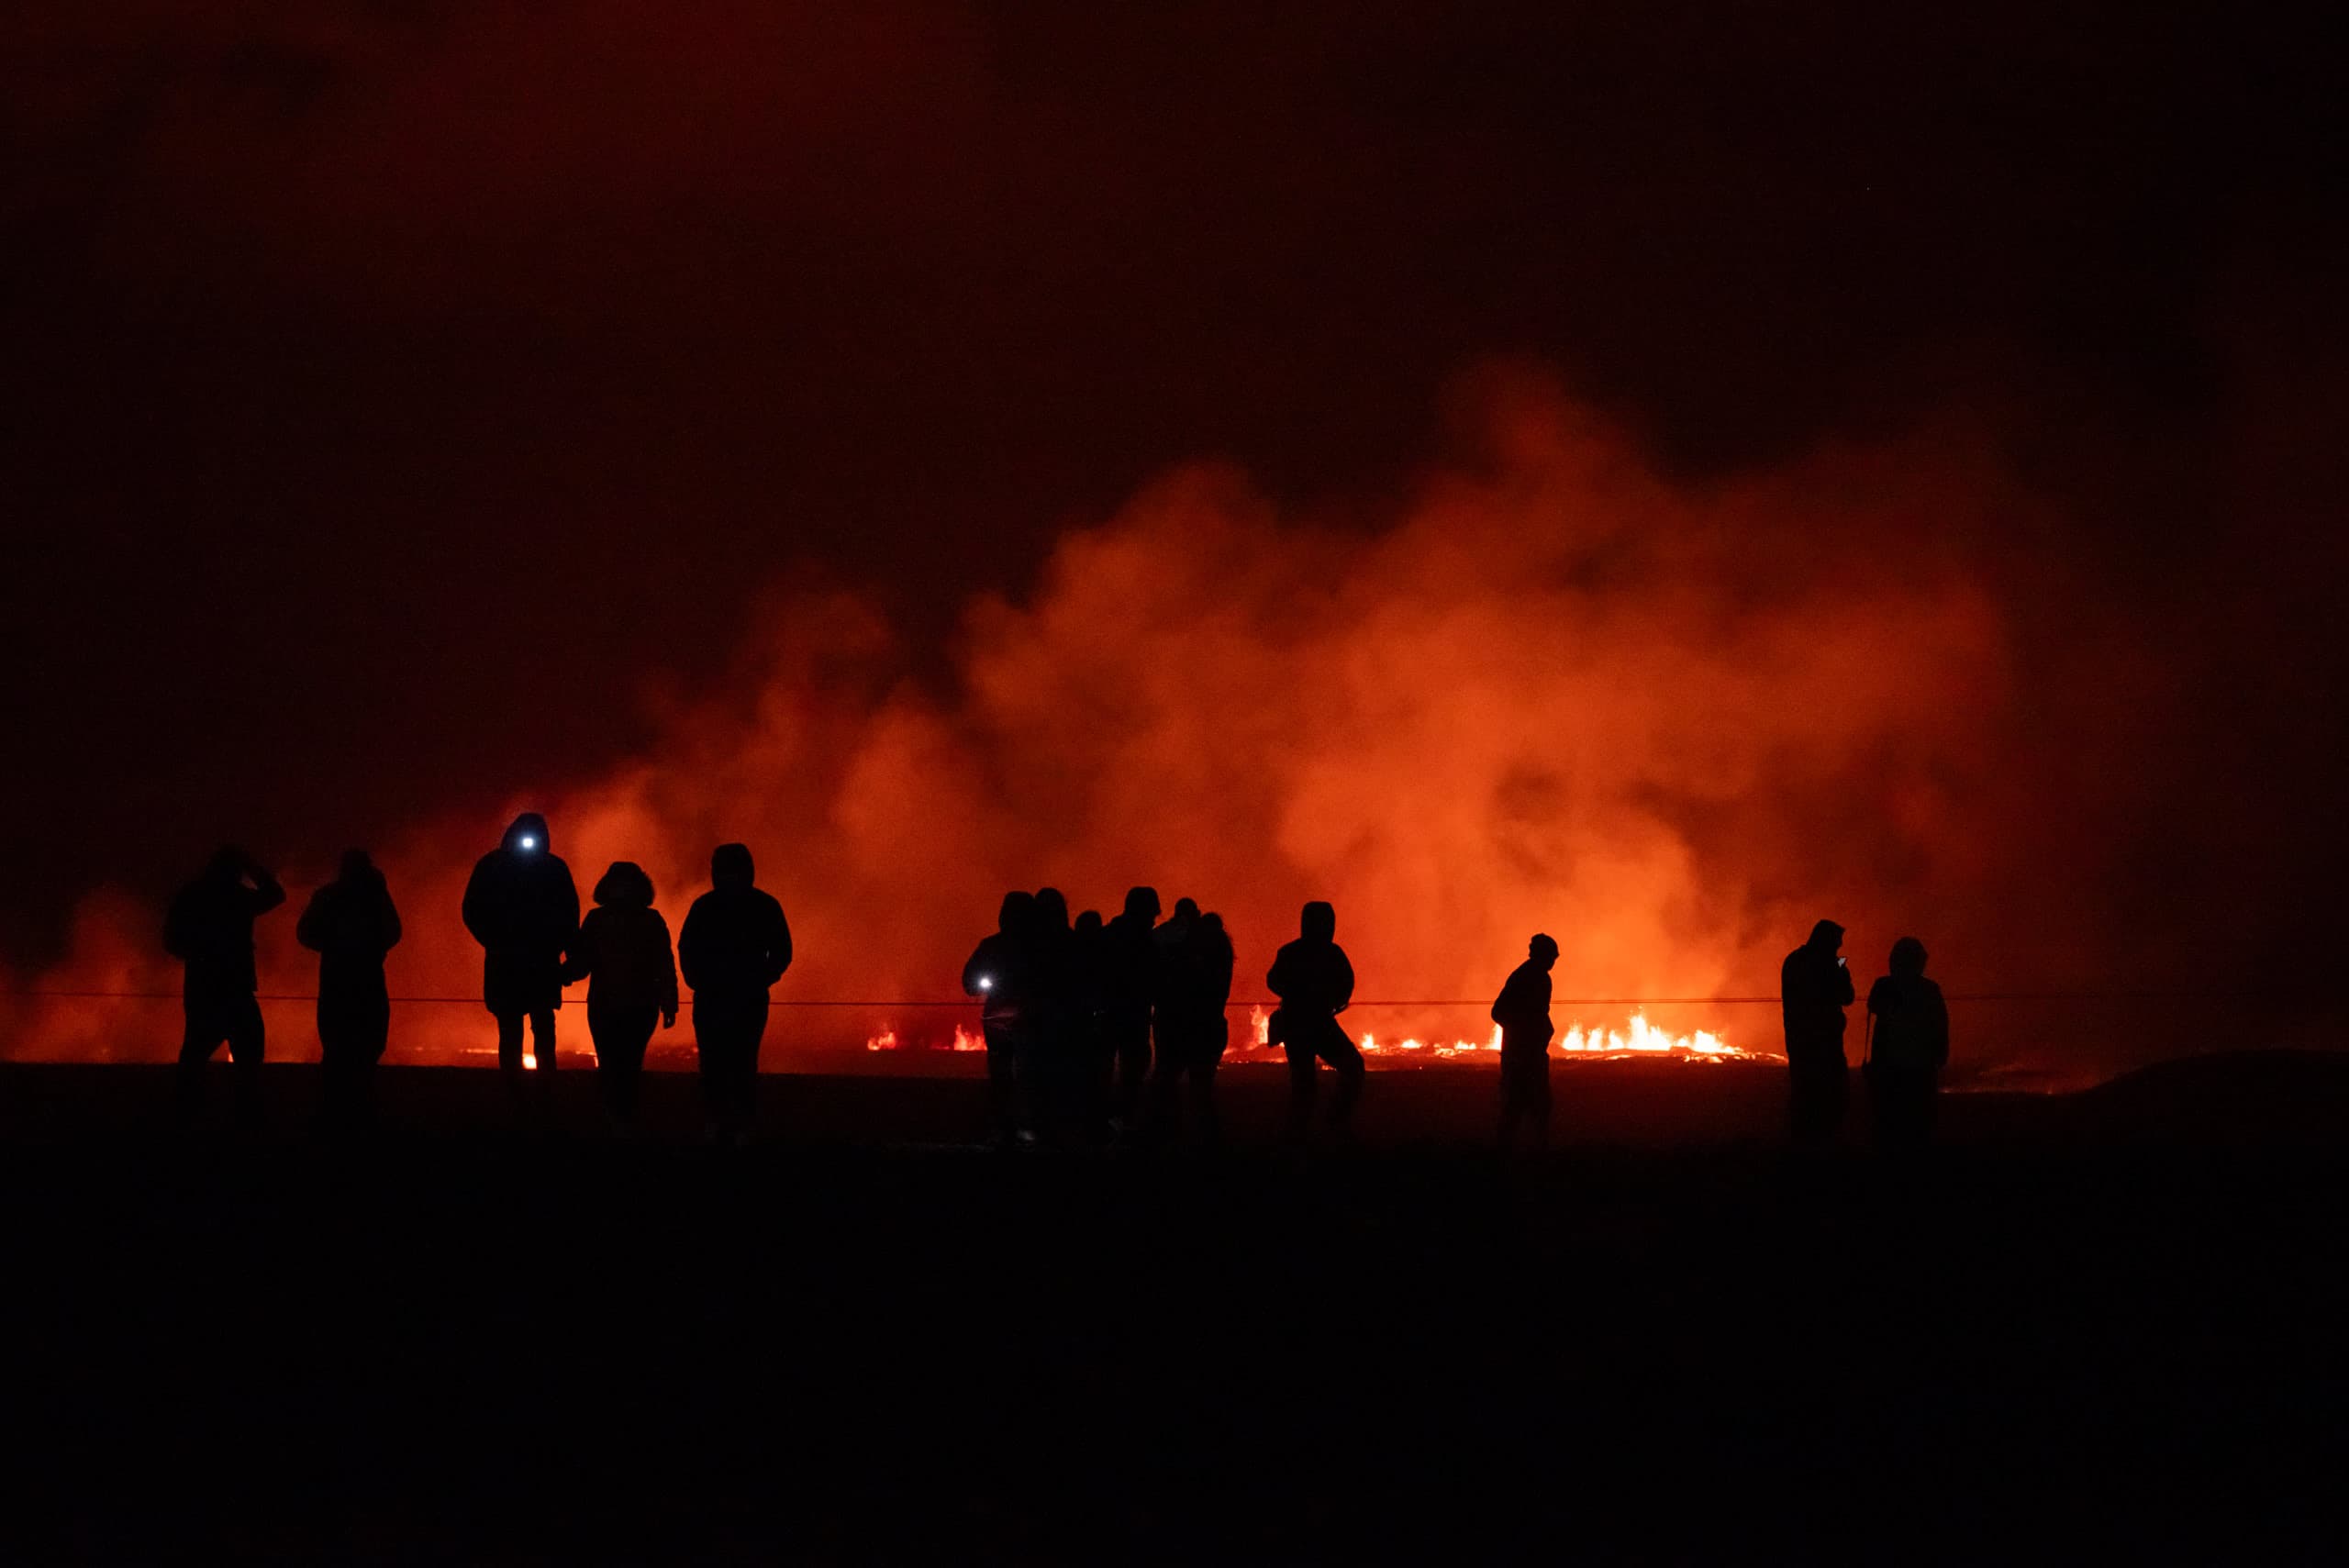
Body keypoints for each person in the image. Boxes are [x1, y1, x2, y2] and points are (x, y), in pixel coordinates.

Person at [676, 843, 793, 1144]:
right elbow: (687, 948)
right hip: (726, 996)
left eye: (732, 870)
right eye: (724, 871)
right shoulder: (756, 905)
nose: (729, 877)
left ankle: (732, 1123)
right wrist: (699, 980)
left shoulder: (715, 906)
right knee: (720, 1062)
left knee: (737, 1061)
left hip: (736, 997)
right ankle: (725, 1122)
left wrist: (760, 979)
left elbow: (781, 951)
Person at [460, 812, 579, 1101]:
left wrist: (494, 941)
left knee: (526, 1028)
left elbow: (568, 916)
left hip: (516, 962)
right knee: (527, 1028)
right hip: (531, 961)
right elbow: (569, 916)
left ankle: (530, 1088)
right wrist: (568, 957)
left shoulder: (494, 866)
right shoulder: (551, 869)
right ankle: (531, 1088)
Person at [164, 845, 285, 1120]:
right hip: (234, 988)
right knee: (247, 1054)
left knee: (196, 1053)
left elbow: (170, 939)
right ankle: (242, 1115)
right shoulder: (236, 897)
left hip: (203, 987)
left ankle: (186, 1114)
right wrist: (252, 867)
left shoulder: (192, 896)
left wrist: (197, 956)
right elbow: (275, 894)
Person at [564, 861, 678, 1130]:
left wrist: (560, 974)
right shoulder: (651, 920)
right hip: (640, 1006)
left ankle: (612, 1116)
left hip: (607, 1005)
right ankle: (626, 1116)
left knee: (611, 1062)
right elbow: (664, 964)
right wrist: (669, 1003)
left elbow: (582, 962)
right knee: (629, 1062)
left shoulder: (598, 919)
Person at [295, 849, 401, 1129]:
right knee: (366, 1044)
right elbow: (393, 931)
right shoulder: (374, 896)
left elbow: (305, 932)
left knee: (338, 1046)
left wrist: (333, 947)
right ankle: (358, 1108)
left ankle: (335, 1109)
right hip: (365, 980)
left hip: (337, 980)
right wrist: (370, 948)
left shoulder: (329, 896)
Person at [1267, 900, 1363, 1142]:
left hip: (1301, 1025)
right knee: (1349, 1069)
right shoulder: (1330, 953)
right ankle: (1322, 1127)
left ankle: (1303, 1134)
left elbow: (1273, 981)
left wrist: (1296, 993)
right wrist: (1328, 999)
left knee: (1306, 1084)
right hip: (1315, 1024)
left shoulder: (1291, 952)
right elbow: (1346, 983)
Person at [1148, 906, 1235, 1144]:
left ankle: (1170, 1133)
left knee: (1171, 1081)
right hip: (1208, 1027)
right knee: (1199, 1087)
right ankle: (1203, 1138)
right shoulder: (1219, 955)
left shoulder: (1197, 956)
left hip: (1192, 1027)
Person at [963, 892, 1036, 1146]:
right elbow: (970, 982)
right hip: (1030, 1019)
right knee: (1027, 1072)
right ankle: (1024, 1125)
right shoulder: (1041, 947)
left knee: (1002, 1074)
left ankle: (1006, 1125)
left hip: (1001, 1018)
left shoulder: (992, 946)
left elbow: (970, 983)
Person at [1865, 937, 1950, 1150]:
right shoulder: (1929, 990)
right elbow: (1940, 1023)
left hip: (1889, 1066)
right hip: (1919, 1066)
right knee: (1918, 1122)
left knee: (1888, 1120)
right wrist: (1940, 1053)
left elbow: (1874, 1006)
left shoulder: (1884, 985)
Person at [1780, 918, 1855, 1144]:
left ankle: (1802, 1146)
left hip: (1798, 1041)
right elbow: (1847, 996)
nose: (1839, 948)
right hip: (1825, 1042)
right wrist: (1840, 969)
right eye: (1837, 943)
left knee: (1803, 1095)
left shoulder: (1793, 960)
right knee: (1829, 1095)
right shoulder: (1829, 965)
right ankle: (1823, 1146)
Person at [1101, 886, 1162, 1132]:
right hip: (1132, 1016)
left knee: (1103, 1071)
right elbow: (1156, 979)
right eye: (1152, 914)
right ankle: (1124, 1122)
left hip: (1107, 1015)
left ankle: (1104, 1122)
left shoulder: (1107, 936)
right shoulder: (1148, 944)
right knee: (1133, 1073)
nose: (1153, 920)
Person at [1492, 933, 1559, 1153]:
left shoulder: (1538, 977)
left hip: (1531, 1055)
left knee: (1532, 1108)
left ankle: (1528, 1154)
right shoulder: (1525, 977)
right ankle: (1510, 1157)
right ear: (1542, 955)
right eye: (1551, 956)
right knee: (1520, 1106)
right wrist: (1522, 1033)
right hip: (1522, 1057)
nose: (1553, 961)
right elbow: (1498, 1012)